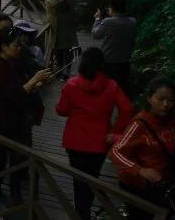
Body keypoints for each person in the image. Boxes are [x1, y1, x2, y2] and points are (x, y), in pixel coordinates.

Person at [0, 26, 53, 212]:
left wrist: (33, 85)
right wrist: (33, 80)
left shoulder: (9, 63)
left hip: (10, 120)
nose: (19, 48)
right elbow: (15, 93)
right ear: (4, 46)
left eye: (20, 45)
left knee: (5, 160)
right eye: (16, 45)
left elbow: (17, 90)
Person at [56, 48, 133, 220]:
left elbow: (61, 110)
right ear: (101, 65)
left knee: (79, 180)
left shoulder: (72, 84)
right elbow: (127, 108)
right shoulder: (111, 85)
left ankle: (81, 213)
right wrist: (115, 131)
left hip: (75, 141)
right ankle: (85, 211)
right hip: (100, 140)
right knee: (92, 179)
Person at [110, 77, 175, 219]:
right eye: (160, 99)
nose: (166, 104)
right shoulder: (140, 124)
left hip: (166, 184)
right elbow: (116, 151)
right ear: (149, 98)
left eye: (170, 100)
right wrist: (140, 170)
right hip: (137, 186)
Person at [21, 0, 78, 78]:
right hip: (54, 28)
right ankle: (59, 69)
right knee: (57, 49)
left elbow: (73, 10)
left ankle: (66, 71)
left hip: (65, 28)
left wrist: (74, 23)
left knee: (66, 50)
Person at [92, 0, 137, 96]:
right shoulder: (133, 21)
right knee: (122, 90)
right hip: (125, 61)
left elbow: (96, 34)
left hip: (109, 62)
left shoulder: (108, 22)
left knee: (105, 91)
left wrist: (98, 18)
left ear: (112, 8)